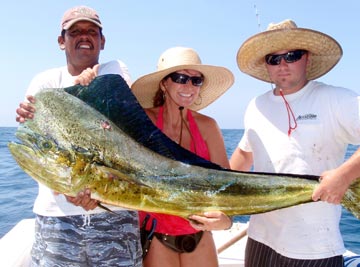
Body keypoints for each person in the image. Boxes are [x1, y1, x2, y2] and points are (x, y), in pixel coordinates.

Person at [15, 6, 142, 266]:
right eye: (75, 32)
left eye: (91, 31)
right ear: (62, 41)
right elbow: (39, 149)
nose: (84, 36)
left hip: (115, 216)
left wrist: (84, 88)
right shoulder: (44, 80)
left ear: (102, 41)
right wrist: (67, 190)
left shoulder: (114, 68)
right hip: (56, 220)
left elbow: (112, 100)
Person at [230, 19, 360, 266]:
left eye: (292, 56)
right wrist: (216, 200)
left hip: (314, 247)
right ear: (266, 65)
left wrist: (344, 175)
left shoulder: (336, 99)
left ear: (307, 58)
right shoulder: (256, 105)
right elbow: (245, 155)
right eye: (274, 59)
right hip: (260, 237)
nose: (283, 65)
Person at [131, 46, 234, 267]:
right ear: (164, 83)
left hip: (199, 232)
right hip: (155, 233)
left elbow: (227, 186)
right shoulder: (142, 123)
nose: (189, 86)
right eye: (181, 78)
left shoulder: (208, 127)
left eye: (196, 81)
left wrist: (226, 221)